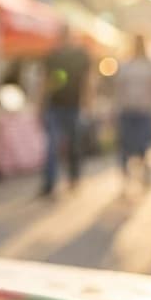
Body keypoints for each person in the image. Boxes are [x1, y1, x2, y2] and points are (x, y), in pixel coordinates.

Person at [40, 24, 91, 196]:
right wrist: (41, 104)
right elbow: (46, 81)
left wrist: (86, 103)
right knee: (52, 146)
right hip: (55, 106)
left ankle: (74, 178)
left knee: (73, 145)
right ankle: (50, 183)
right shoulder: (53, 56)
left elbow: (87, 81)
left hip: (74, 106)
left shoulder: (81, 56)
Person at [114, 34, 151, 190]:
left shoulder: (150, 65)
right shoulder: (126, 65)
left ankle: (143, 176)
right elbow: (119, 88)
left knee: (143, 145)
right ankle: (126, 178)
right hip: (128, 109)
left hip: (144, 110)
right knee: (126, 146)